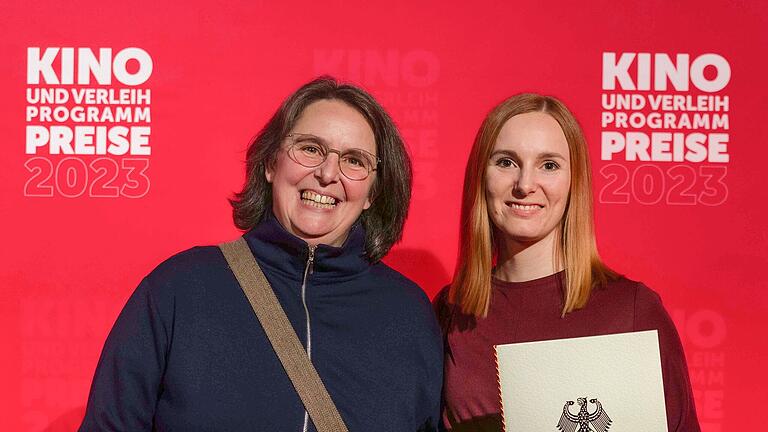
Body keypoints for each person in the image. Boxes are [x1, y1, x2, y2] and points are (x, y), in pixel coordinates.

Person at [79, 77, 442, 431]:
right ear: (271, 164)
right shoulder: (180, 289)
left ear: (373, 193)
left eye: (354, 161)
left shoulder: (408, 315)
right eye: (311, 149)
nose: (328, 174)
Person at [434, 94, 700, 431]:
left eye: (549, 165)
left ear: (575, 181)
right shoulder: (451, 310)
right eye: (506, 162)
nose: (525, 184)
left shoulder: (633, 310)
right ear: (480, 176)